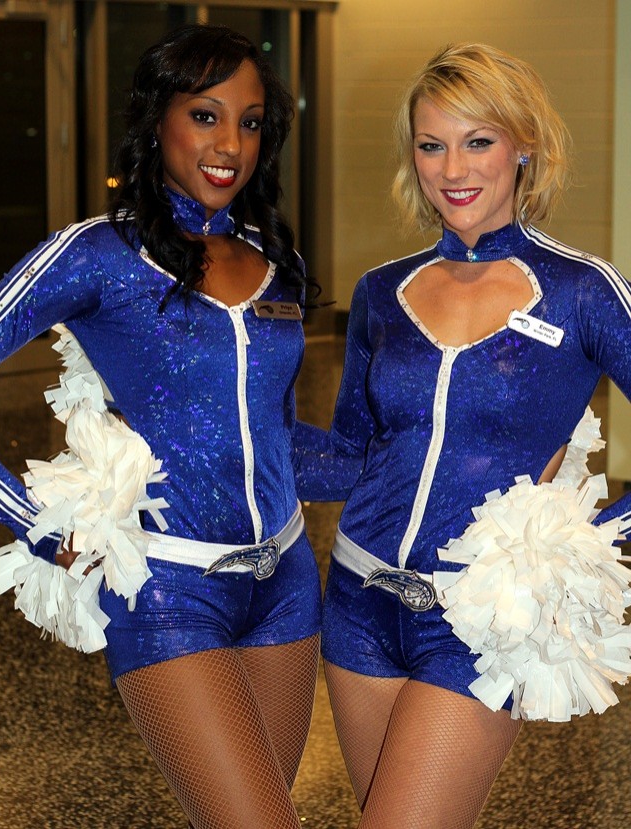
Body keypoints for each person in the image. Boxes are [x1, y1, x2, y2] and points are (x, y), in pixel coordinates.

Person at [0, 24, 322, 829]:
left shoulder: (274, 260)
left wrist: (436, 463)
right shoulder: (95, 254)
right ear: (157, 120)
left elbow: (278, 440)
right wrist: (37, 524)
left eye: (249, 122)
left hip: (286, 583)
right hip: (167, 587)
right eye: (205, 116)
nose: (229, 145)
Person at [295, 43, 631, 828]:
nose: (453, 167)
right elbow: (352, 454)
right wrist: (224, 440)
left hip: (480, 619)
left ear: (524, 147)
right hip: (357, 602)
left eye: (478, 140)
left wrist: (594, 542)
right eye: (431, 143)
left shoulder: (583, 292)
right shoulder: (383, 292)